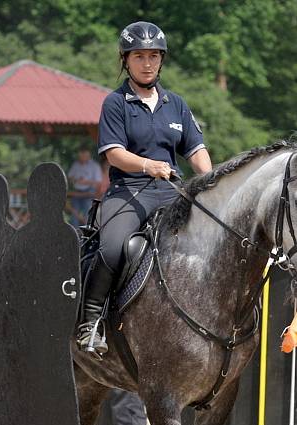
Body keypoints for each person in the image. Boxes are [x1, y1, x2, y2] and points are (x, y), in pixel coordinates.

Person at [77, 21, 213, 354]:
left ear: (162, 60)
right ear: (125, 60)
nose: (148, 63)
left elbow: (196, 151)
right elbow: (114, 154)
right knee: (111, 247)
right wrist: (147, 165)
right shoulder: (115, 103)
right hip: (128, 191)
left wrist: (211, 181)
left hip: (170, 191)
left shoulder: (176, 104)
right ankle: (90, 322)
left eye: (154, 56)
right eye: (140, 56)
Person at [67, 147, 103, 225]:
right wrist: (76, 180)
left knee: (87, 215)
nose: (82, 157)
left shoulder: (95, 166)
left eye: (84, 155)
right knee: (74, 216)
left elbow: (99, 182)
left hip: (89, 192)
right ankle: (74, 233)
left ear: (88, 155)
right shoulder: (76, 164)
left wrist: (86, 182)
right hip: (77, 191)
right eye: (80, 155)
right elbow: (69, 178)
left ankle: (85, 234)